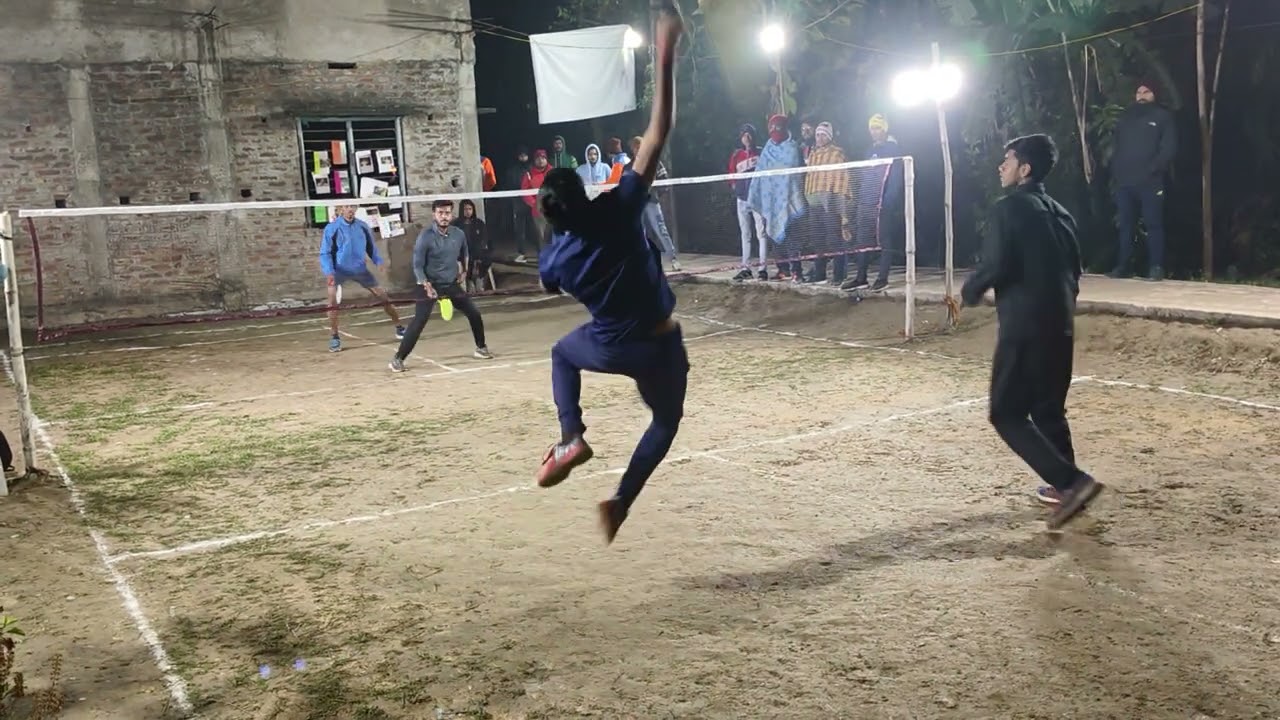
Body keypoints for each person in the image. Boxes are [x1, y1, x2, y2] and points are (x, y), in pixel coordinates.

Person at [534, 4, 686, 545]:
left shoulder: (555, 259)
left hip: (608, 344)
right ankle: (620, 500)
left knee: (561, 354)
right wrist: (664, 51)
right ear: (584, 190)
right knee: (665, 422)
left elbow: (548, 281)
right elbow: (658, 131)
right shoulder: (621, 207)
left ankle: (571, 436)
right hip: (660, 344)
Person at [960, 134, 1103, 530]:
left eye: (1007, 160)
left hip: (1025, 327)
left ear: (1024, 169)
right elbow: (1075, 272)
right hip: (1061, 324)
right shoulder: (1062, 214)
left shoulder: (1008, 208)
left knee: (1006, 412)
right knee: (1047, 410)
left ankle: (1072, 482)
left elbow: (996, 264)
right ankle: (1065, 490)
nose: (1001, 166)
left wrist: (969, 291)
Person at [389, 199, 493, 372]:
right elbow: (417, 265)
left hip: (450, 283)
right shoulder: (425, 236)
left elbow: (465, 253)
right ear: (434, 215)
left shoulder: (458, 234)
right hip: (428, 284)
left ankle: (481, 348)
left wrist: (464, 271)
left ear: (451, 215)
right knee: (419, 321)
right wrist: (426, 285)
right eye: (440, 213)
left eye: (447, 213)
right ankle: (398, 359)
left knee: (474, 312)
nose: (444, 216)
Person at [1108, 80, 1176, 281]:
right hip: (1125, 182)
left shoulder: (1163, 117)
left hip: (1150, 181)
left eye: (1146, 91)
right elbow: (1116, 145)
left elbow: (1169, 147)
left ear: (1154, 94)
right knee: (1126, 225)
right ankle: (1124, 266)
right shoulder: (1126, 118)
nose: (1142, 95)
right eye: (1138, 92)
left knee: (1153, 224)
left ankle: (1156, 267)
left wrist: (1153, 169)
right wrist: (1116, 170)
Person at [319, 204, 404, 353]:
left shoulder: (363, 226)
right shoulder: (332, 228)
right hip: (338, 271)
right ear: (341, 209)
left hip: (360, 270)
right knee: (332, 302)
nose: (350, 209)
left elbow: (371, 247)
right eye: (346, 207)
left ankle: (399, 327)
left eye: (352, 206)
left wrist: (378, 262)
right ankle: (334, 337)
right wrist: (329, 272)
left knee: (383, 296)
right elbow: (325, 253)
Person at [843, 113, 903, 292]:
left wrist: (887, 201)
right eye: (871, 128)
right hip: (865, 203)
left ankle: (882, 278)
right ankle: (861, 278)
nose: (874, 132)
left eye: (877, 128)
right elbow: (865, 177)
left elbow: (895, 179)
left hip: (882, 204)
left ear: (885, 129)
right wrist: (861, 199)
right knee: (862, 241)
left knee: (884, 240)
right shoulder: (869, 151)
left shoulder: (894, 150)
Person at [629, 135, 681, 272]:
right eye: (635, 147)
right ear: (632, 149)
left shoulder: (655, 162)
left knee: (661, 229)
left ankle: (673, 259)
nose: (638, 149)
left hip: (652, 201)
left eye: (640, 146)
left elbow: (664, 179)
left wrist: (657, 193)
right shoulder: (629, 166)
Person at [729, 123, 767, 280]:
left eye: (749, 134)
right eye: (744, 134)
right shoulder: (736, 155)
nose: (747, 137)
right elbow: (731, 175)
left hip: (757, 200)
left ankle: (763, 269)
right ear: (741, 137)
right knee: (745, 234)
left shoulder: (761, 152)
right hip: (742, 200)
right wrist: (737, 190)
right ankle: (746, 268)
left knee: (761, 234)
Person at [519, 150, 553, 261]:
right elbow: (525, 192)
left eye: (543, 158)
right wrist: (535, 204)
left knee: (554, 236)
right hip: (538, 212)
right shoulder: (529, 174)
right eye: (538, 158)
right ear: (534, 160)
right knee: (541, 237)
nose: (540, 160)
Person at [454, 199, 492, 292]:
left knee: (487, 258)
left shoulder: (479, 223)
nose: (468, 212)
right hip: (462, 251)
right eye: (465, 209)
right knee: (466, 260)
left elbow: (485, 237)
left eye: (470, 209)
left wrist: (481, 247)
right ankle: (469, 281)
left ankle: (480, 278)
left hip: (477, 249)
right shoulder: (456, 224)